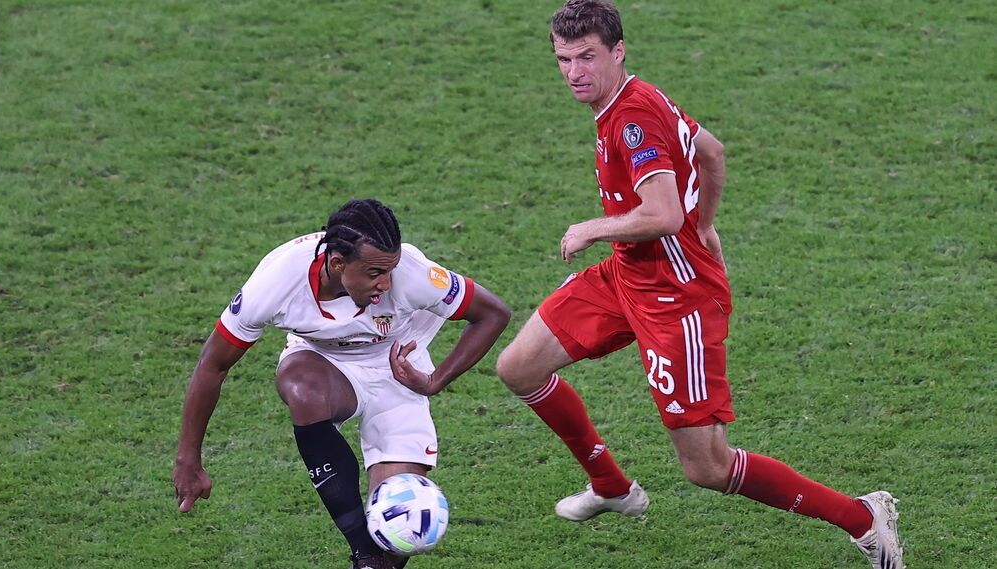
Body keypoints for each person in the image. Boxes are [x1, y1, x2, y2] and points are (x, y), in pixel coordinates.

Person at [494, 2, 903, 568]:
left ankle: (863, 518)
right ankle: (612, 487)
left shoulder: (632, 119)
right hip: (626, 275)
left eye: (587, 56)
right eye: (563, 59)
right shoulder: (639, 98)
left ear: (618, 51)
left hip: (676, 298)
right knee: (519, 367)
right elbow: (711, 152)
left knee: (708, 468)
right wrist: (705, 223)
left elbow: (660, 214)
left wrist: (593, 227)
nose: (573, 72)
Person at [172, 199, 511, 569]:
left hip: (399, 373)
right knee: (303, 390)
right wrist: (188, 458)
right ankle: (362, 550)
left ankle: (376, 559)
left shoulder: (412, 273)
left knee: (403, 528)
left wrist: (434, 381)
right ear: (337, 264)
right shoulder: (277, 282)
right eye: (374, 273)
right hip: (323, 364)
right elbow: (213, 364)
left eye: (390, 270)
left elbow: (493, 314)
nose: (386, 282)